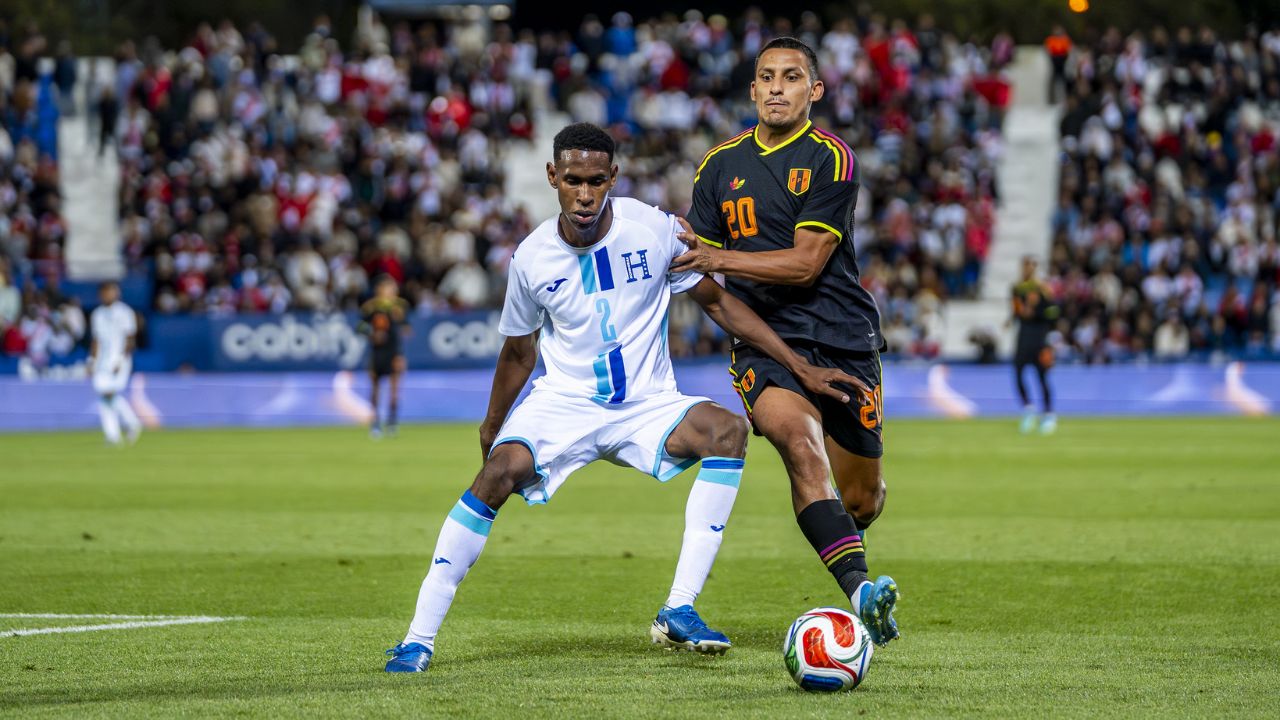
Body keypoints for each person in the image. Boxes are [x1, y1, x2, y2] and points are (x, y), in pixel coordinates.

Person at [384, 123, 865, 673]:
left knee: (727, 431)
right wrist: (491, 425)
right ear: (552, 178)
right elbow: (519, 353)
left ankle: (679, 609)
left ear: (613, 177)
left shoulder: (654, 230)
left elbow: (718, 303)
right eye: (572, 181)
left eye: (595, 181)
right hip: (565, 401)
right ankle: (418, 640)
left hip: (648, 404)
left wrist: (796, 362)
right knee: (494, 476)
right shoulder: (530, 259)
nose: (584, 195)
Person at [670, 37, 899, 646]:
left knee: (862, 500)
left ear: (813, 91)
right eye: (766, 77)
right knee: (800, 445)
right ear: (751, 90)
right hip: (766, 346)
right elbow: (698, 273)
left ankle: (848, 521)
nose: (776, 87)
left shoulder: (832, 159)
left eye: (791, 77)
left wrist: (718, 257)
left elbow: (804, 265)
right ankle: (861, 592)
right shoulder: (717, 167)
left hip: (844, 339)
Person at [1010, 256, 1059, 434]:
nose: (1026, 269)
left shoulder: (1043, 290)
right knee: (1017, 374)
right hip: (1023, 338)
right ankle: (1028, 409)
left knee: (1042, 378)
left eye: (1029, 266)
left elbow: (1053, 312)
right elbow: (1017, 311)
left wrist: (1041, 305)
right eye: (1024, 266)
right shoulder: (1017, 289)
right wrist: (1018, 313)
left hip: (1040, 339)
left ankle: (1049, 414)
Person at [89, 282, 142, 445]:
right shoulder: (97, 314)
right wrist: (91, 360)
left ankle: (119, 431)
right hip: (102, 361)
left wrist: (121, 359)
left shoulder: (125, 312)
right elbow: (96, 340)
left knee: (108, 394)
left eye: (111, 292)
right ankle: (120, 431)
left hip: (119, 359)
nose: (108, 295)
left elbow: (130, 339)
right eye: (105, 292)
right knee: (105, 397)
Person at [358, 275, 409, 437]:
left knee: (394, 389)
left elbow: (406, 327)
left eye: (393, 288)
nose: (391, 291)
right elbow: (360, 326)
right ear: (379, 290)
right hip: (377, 352)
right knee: (375, 388)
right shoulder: (371, 307)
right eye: (387, 288)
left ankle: (392, 422)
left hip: (394, 352)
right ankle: (375, 422)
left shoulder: (400, 306)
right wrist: (373, 334)